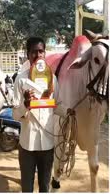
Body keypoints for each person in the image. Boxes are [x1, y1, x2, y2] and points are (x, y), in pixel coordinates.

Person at [12, 37, 75, 192]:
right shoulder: (21, 80)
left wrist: (69, 112)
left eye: (41, 51)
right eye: (34, 52)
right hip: (27, 145)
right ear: (28, 54)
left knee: (45, 187)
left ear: (45, 53)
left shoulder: (52, 79)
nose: (38, 55)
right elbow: (15, 115)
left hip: (47, 144)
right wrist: (25, 106)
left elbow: (57, 105)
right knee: (27, 188)